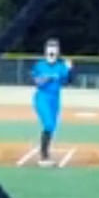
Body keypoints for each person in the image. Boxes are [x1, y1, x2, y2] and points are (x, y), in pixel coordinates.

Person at [30, 38, 73, 166]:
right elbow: (37, 82)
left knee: (53, 127)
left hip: (55, 99)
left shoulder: (61, 66)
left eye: (55, 49)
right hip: (42, 97)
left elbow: (67, 81)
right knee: (48, 124)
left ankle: (46, 150)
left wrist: (70, 70)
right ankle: (44, 155)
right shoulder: (40, 65)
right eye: (50, 48)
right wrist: (47, 78)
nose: (52, 52)